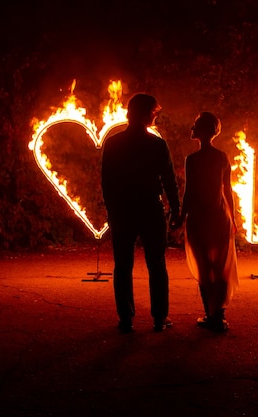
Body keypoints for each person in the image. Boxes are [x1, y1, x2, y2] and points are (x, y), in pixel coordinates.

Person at [101, 93, 181, 333]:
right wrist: (175, 209)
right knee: (156, 264)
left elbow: (107, 181)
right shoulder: (156, 144)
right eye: (154, 113)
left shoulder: (114, 143)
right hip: (149, 207)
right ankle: (159, 317)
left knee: (122, 265)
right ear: (147, 115)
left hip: (123, 208)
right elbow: (169, 179)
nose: (155, 117)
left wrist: (111, 208)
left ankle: (126, 318)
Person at [181, 112, 239, 332]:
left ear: (203, 130)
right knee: (221, 266)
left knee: (205, 266)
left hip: (200, 217)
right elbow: (228, 190)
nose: (192, 128)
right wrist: (232, 218)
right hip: (219, 216)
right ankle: (219, 315)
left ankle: (211, 315)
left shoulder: (192, 160)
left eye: (195, 125)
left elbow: (189, 192)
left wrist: (180, 216)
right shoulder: (222, 157)